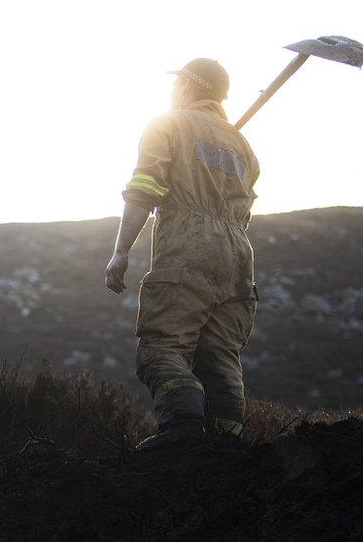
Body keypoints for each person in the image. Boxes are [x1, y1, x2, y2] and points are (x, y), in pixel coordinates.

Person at [104, 58, 260, 450]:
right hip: (238, 261)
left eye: (177, 85)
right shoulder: (242, 145)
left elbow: (144, 188)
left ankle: (183, 428)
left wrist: (121, 250)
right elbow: (243, 210)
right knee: (220, 357)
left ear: (189, 87)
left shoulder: (167, 124)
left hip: (188, 251)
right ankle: (228, 443)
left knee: (161, 348)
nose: (172, 92)